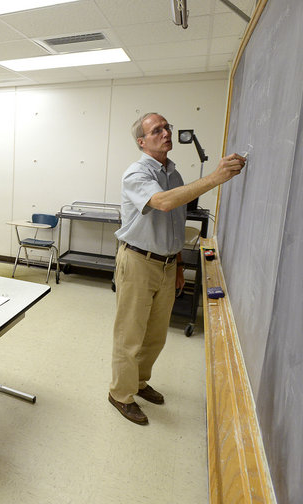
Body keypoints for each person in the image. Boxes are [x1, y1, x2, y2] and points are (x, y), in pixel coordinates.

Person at [108, 113, 245, 425]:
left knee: (155, 335)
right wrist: (215, 177)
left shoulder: (174, 173)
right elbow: (163, 203)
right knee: (130, 334)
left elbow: (176, 223)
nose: (165, 132)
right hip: (138, 262)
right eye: (156, 130)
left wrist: (180, 264)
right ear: (142, 142)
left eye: (166, 127)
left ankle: (139, 383)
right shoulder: (136, 174)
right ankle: (120, 393)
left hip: (168, 264)